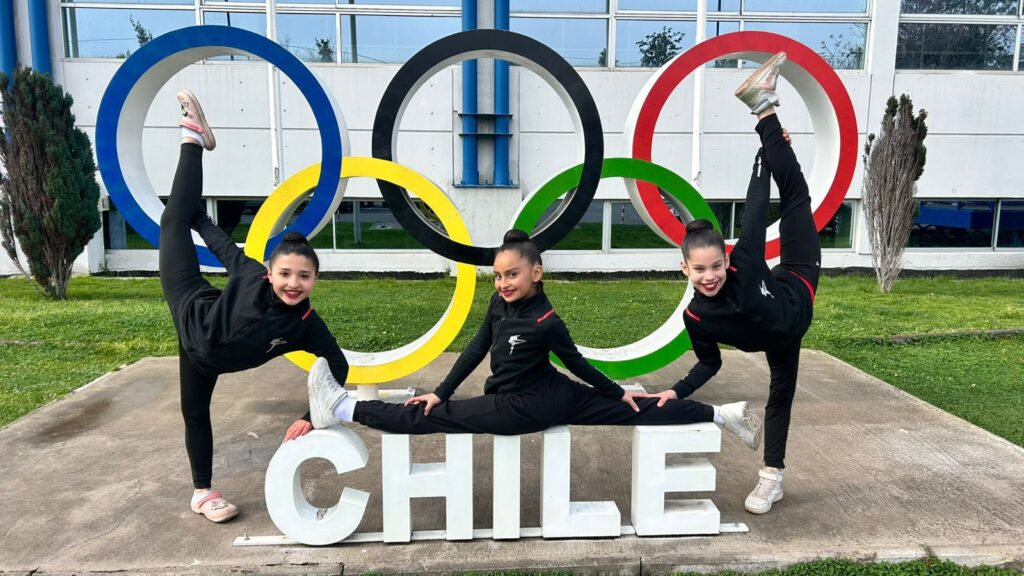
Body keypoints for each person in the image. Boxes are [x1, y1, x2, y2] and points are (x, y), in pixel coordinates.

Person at [303, 229, 761, 450]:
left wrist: (616, 391)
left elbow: (577, 364)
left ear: (536, 273)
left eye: (513, 274)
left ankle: (343, 408)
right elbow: (477, 347)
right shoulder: (499, 305)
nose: (503, 282)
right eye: (498, 275)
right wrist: (440, 390)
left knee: (435, 419)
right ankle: (724, 415)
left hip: (529, 406)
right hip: (544, 394)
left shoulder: (547, 320)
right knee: (433, 405)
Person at [644, 52, 820, 515]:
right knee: (780, 395)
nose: (709, 276)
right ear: (685, 269)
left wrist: (768, 150)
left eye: (714, 266)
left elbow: (759, 204)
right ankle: (772, 479)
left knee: (796, 194)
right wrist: (676, 390)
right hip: (779, 337)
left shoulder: (744, 263)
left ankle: (763, 107)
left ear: (726, 259)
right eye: (699, 270)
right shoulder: (696, 316)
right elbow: (708, 364)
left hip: (797, 283)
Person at [161, 91, 348, 522]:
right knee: (175, 218)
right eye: (285, 274)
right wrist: (196, 217)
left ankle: (202, 493)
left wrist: (311, 416)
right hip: (190, 305)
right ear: (270, 272)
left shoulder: (305, 324)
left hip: (205, 359)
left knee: (195, 411)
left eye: (304, 277)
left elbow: (339, 365)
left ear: (315, 281)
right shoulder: (249, 274)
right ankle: (192, 135)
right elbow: (222, 245)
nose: (293, 283)